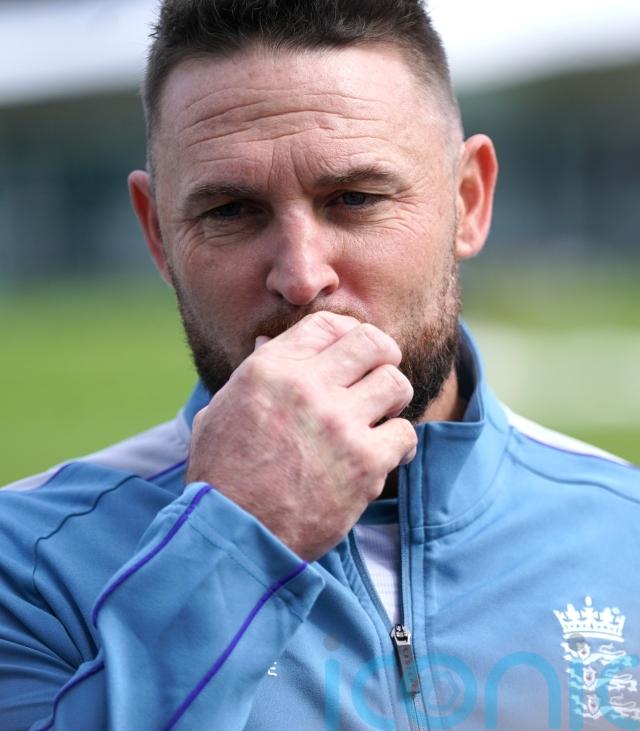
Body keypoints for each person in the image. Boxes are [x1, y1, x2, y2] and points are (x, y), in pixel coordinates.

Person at [1, 1, 639, 729]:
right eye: (231, 211)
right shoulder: (28, 566)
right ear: (158, 235)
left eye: (354, 199)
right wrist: (235, 539)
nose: (302, 278)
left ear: (468, 201)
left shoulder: (624, 532)